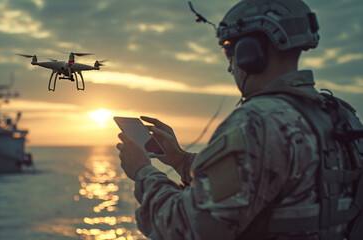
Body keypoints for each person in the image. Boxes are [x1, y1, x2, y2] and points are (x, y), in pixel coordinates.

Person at [116, 0, 363, 239]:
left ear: (249, 54)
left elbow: (186, 228)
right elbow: (259, 176)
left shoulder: (256, 123)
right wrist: (180, 160)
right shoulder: (340, 115)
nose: (231, 68)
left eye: (229, 54)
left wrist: (143, 172)